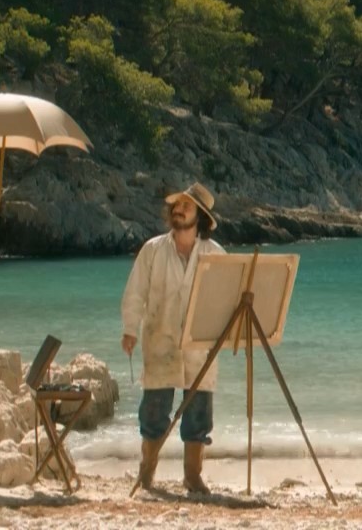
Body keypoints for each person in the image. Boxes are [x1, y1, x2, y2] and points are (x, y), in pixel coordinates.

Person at [122, 182, 226, 494]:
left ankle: (192, 476)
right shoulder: (153, 249)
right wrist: (129, 329)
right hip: (160, 339)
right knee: (154, 412)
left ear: (200, 217)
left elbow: (226, 299)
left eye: (186, 206)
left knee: (198, 416)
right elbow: (135, 291)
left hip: (200, 346)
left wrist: (230, 336)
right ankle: (147, 473)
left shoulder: (215, 254)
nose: (178, 210)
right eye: (176, 205)